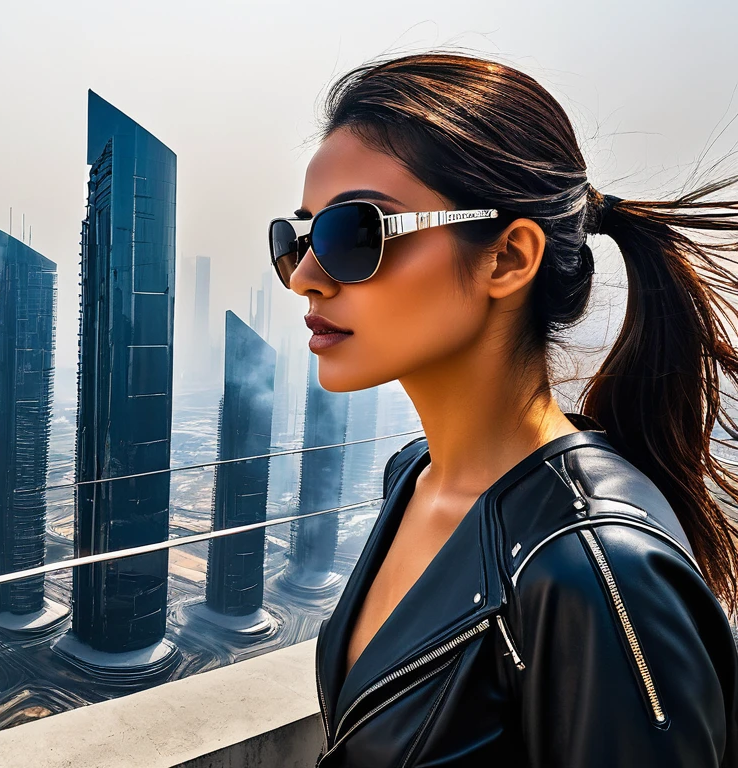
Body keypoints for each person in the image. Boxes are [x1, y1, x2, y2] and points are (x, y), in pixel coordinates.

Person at [269, 52, 738, 766]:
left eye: (354, 234)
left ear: (508, 259)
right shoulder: (414, 476)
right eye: (298, 239)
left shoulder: (601, 572)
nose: (305, 276)